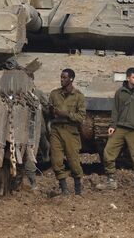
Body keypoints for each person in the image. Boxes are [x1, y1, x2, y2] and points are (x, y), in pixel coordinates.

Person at [97, 67, 134, 191]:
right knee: (108, 152)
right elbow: (115, 110)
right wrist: (112, 125)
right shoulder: (120, 92)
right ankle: (111, 180)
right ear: (128, 78)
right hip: (120, 128)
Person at [48, 68, 86, 196]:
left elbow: (81, 117)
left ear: (71, 79)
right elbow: (48, 112)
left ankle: (78, 191)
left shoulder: (78, 96)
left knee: (74, 161)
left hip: (71, 130)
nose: (61, 80)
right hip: (56, 130)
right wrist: (50, 111)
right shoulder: (54, 94)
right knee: (56, 161)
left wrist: (66, 114)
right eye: (61, 77)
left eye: (64, 77)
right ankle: (64, 190)